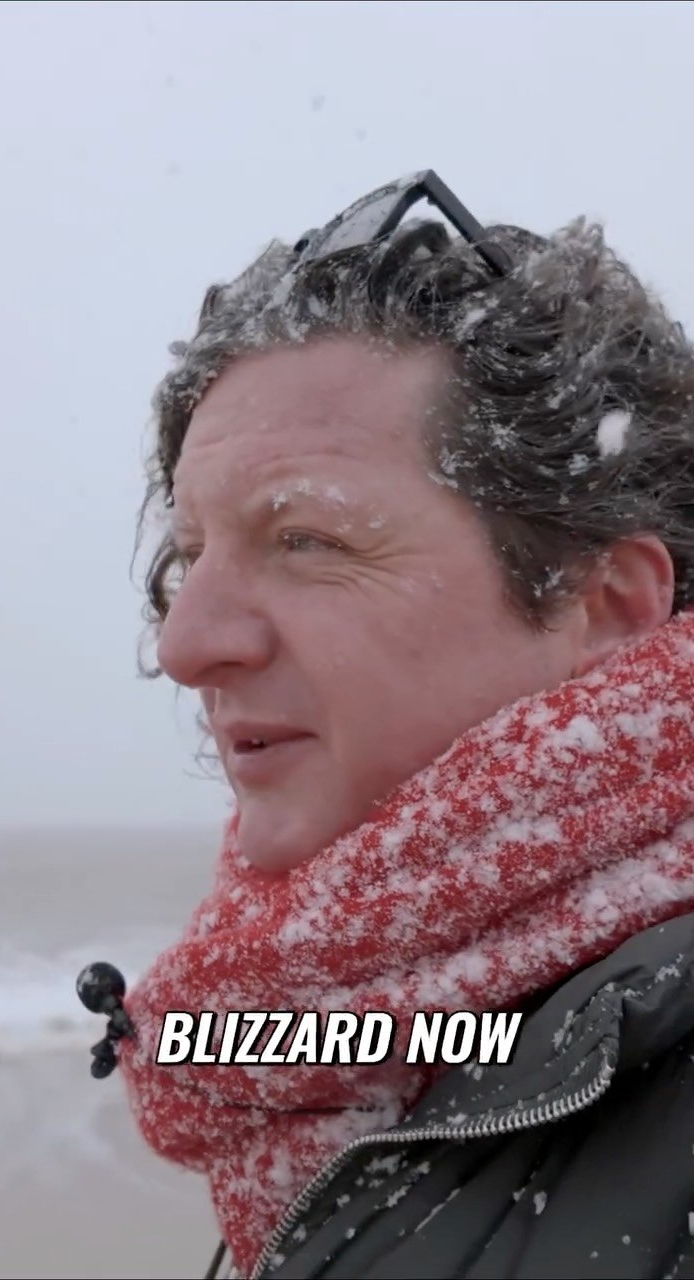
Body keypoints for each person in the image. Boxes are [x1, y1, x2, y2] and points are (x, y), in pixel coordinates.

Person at [79, 172, 694, 1279]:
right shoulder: (354, 1024)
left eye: (308, 541)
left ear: (604, 604)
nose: (186, 643)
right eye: (191, 555)